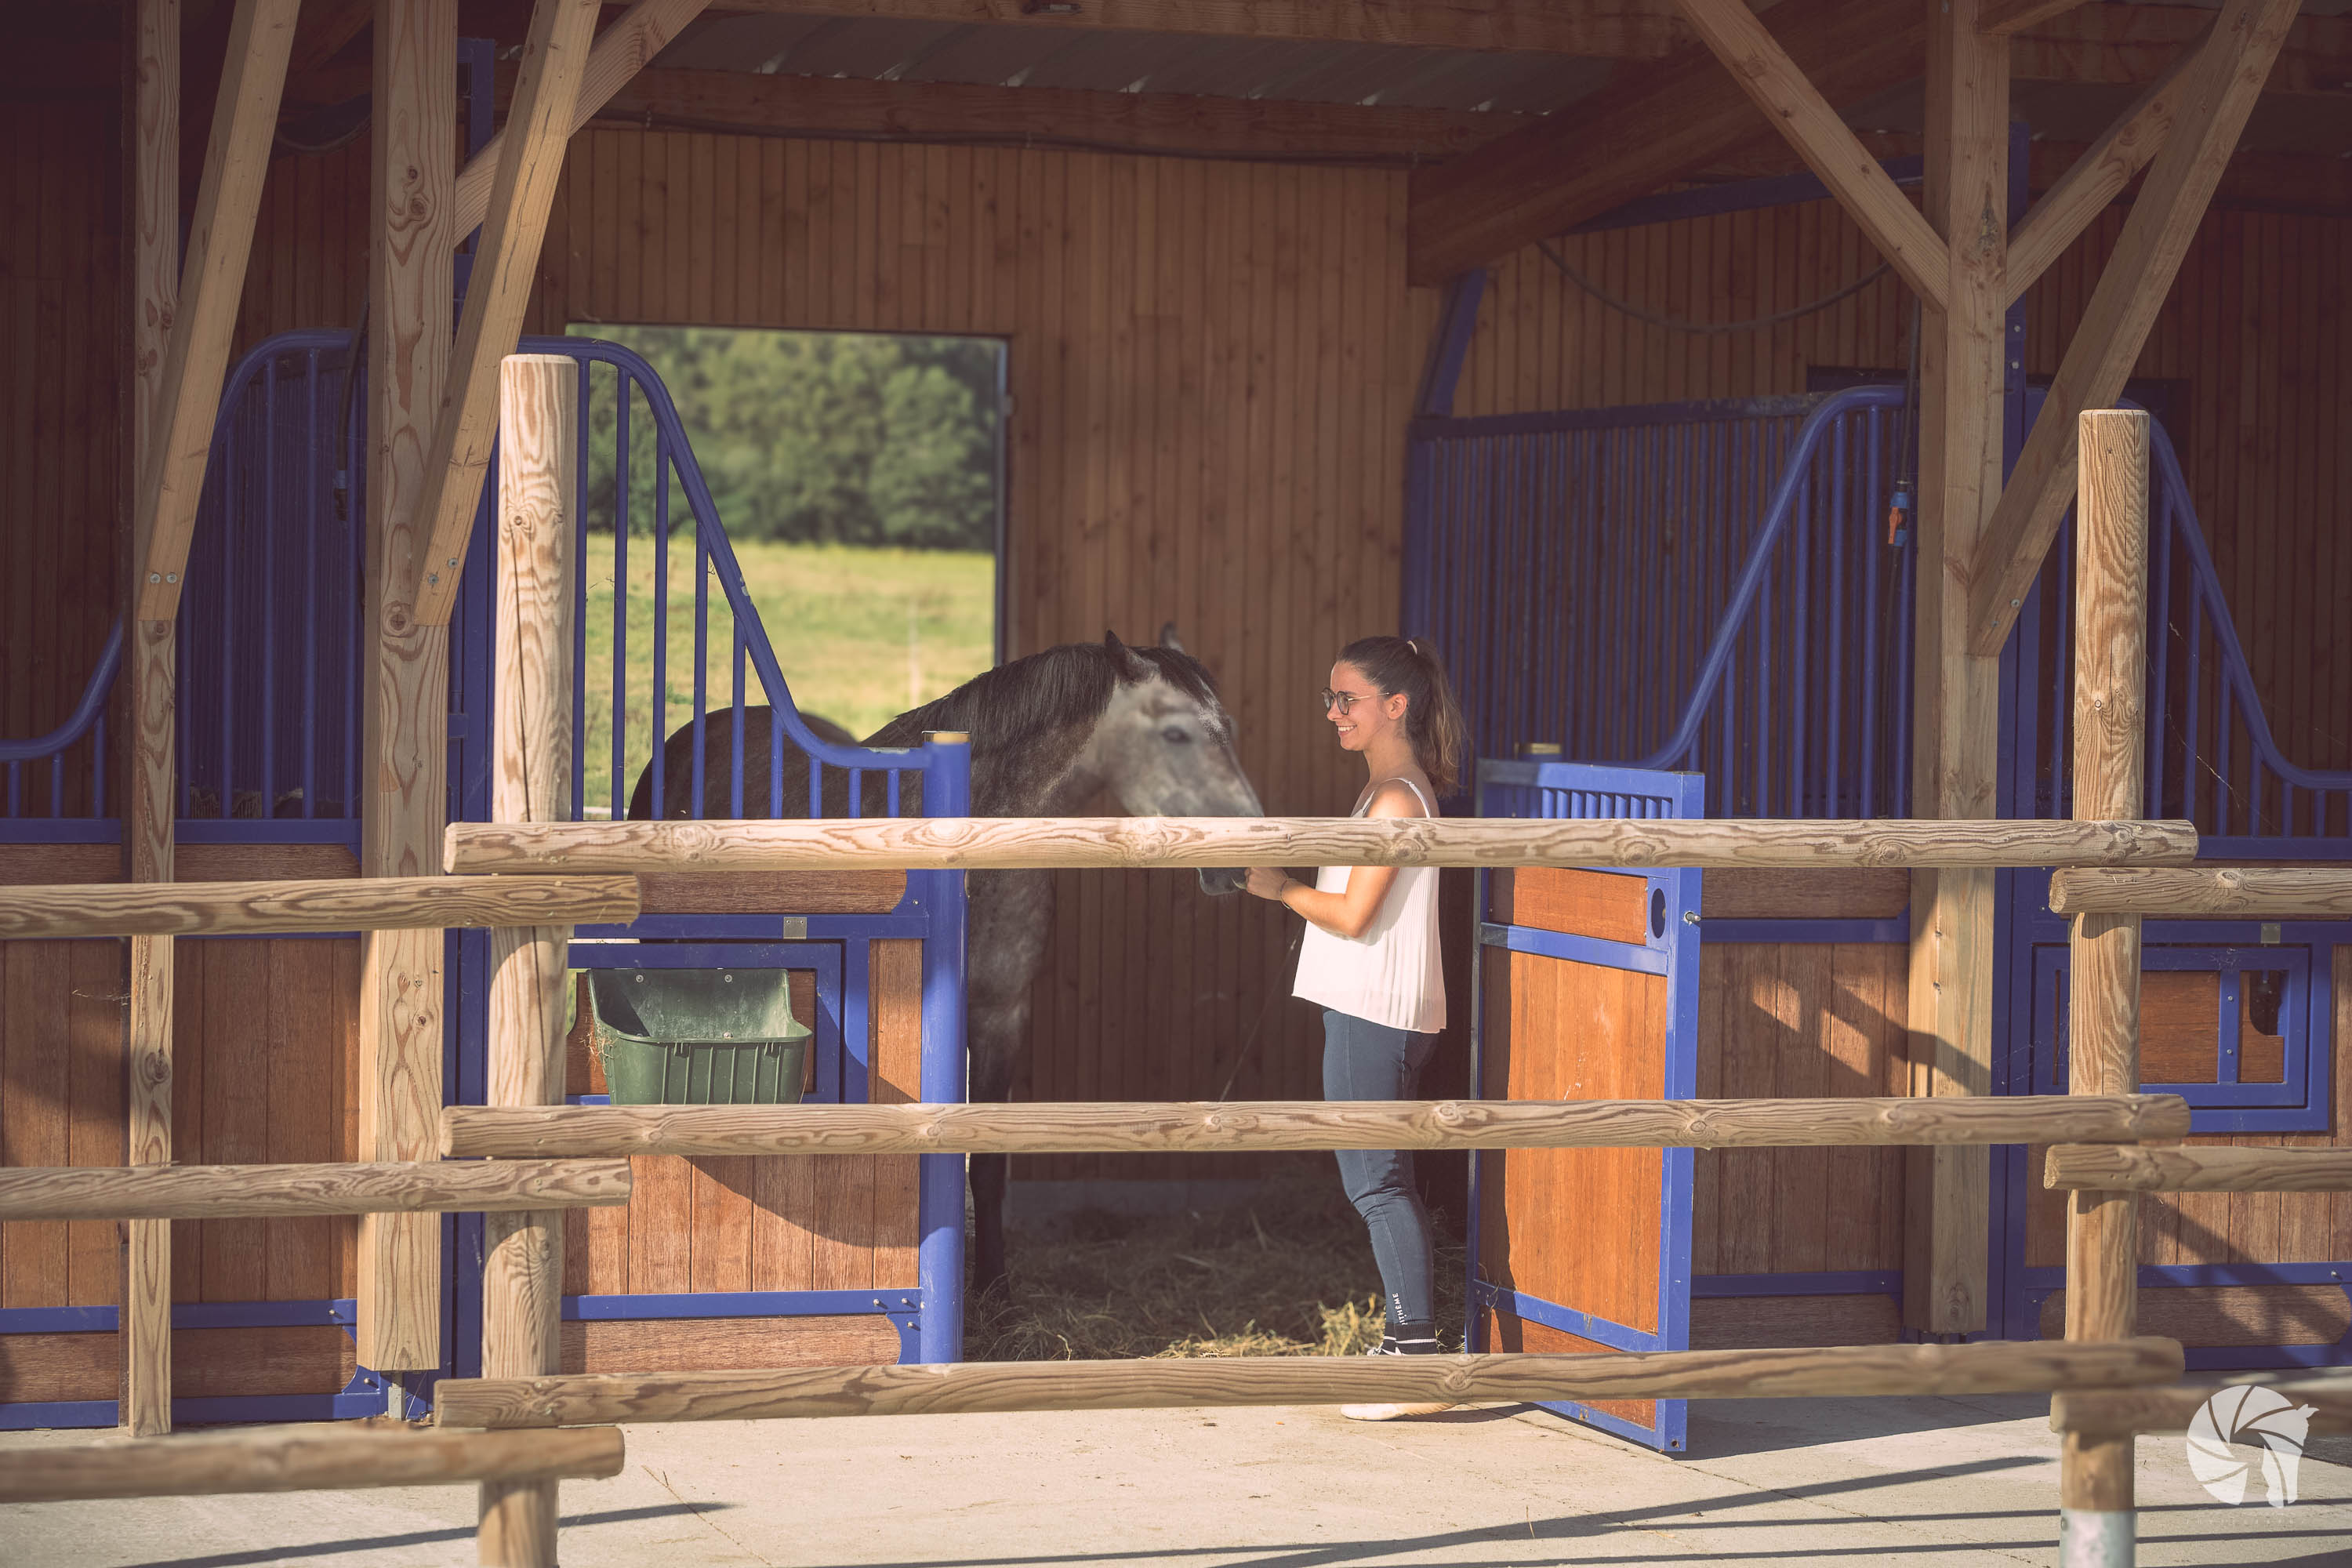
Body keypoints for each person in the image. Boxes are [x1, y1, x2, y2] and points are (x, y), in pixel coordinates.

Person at [1245, 634, 1468, 1421]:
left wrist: (1280, 888)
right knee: (1377, 1180)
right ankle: (1406, 1345)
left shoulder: (1399, 798)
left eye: (1348, 698)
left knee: (1376, 1183)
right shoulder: (1385, 791)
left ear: (1394, 705)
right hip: (1369, 1005)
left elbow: (1353, 912)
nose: (1334, 711)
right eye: (1331, 698)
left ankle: (1413, 1354)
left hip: (1378, 1008)